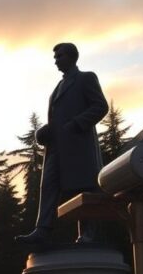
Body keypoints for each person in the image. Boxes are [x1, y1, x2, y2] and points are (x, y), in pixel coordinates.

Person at [16, 43, 108, 245]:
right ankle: (42, 230)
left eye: (60, 56)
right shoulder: (57, 88)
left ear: (72, 57)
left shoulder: (86, 78)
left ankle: (87, 234)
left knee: (83, 188)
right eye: (55, 57)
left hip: (78, 147)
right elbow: (56, 120)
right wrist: (45, 132)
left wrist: (76, 124)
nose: (56, 60)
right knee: (48, 186)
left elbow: (101, 106)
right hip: (56, 148)